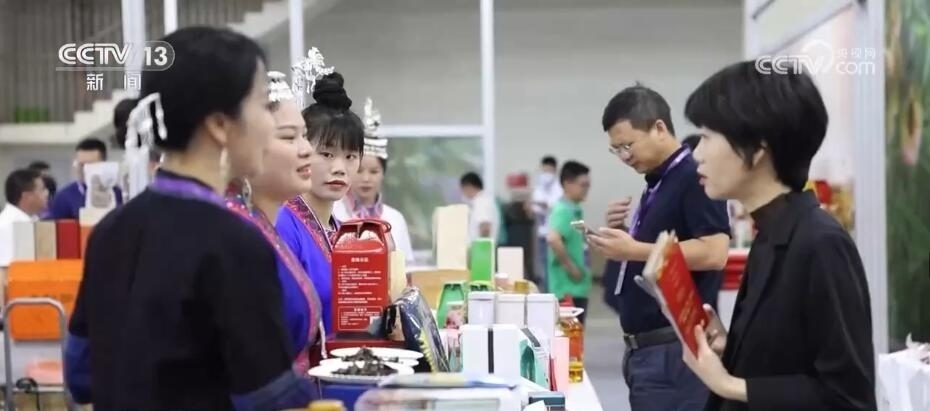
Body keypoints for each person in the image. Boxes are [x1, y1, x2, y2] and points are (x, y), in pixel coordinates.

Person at [64, 26, 317, 410]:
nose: (269, 125)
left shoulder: (110, 231)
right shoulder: (234, 243)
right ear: (220, 125)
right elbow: (270, 399)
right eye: (263, 105)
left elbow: (81, 374)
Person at [682, 61, 876, 411]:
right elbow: (789, 359)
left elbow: (847, 398)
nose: (697, 154)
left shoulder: (821, 243)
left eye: (707, 137)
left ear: (757, 149)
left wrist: (728, 384)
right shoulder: (773, 232)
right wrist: (733, 346)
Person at [587, 84, 731, 410]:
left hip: (674, 351)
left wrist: (634, 249)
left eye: (627, 145)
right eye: (616, 150)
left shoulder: (693, 176)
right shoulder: (660, 181)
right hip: (650, 350)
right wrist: (623, 234)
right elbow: (661, 249)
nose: (624, 156)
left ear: (659, 128)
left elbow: (714, 252)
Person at [226, 71, 323, 374]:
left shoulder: (264, 223)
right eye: (289, 137)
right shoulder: (234, 233)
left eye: (305, 135)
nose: (307, 149)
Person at [276, 53, 365, 338]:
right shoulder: (283, 225)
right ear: (302, 151)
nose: (339, 168)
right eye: (326, 154)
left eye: (350, 156)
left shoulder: (342, 232)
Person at [333, 97, 415, 263]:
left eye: (374, 171)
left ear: (383, 173)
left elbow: (405, 268)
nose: (366, 178)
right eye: (359, 170)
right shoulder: (333, 213)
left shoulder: (395, 219)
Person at [545, 160, 592, 323]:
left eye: (588, 185)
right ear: (567, 184)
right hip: (567, 289)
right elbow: (553, 239)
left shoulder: (575, 210)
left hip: (577, 288)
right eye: (583, 185)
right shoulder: (563, 211)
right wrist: (572, 268)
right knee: (570, 334)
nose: (586, 190)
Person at [46, 137, 123, 219]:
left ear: (103, 165)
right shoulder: (63, 197)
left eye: (90, 165)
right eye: (81, 165)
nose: (85, 170)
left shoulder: (117, 194)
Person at [0, 169, 48, 266]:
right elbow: (5, 270)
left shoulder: (32, 219)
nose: (47, 193)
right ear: (27, 196)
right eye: (42, 190)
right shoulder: (7, 226)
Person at [531, 155, 563, 291]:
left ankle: (553, 293)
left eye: (549, 171)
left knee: (554, 267)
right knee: (544, 266)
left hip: (556, 234)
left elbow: (555, 206)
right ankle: (546, 293)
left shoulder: (560, 188)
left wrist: (541, 205)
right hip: (542, 234)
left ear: (555, 170)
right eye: (544, 170)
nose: (546, 174)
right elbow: (535, 207)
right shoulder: (539, 188)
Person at [459, 172, 499, 242]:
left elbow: (485, 228)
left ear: (469, 186)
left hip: (481, 248)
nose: (463, 193)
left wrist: (481, 248)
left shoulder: (482, 202)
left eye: (463, 189)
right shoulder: (484, 201)